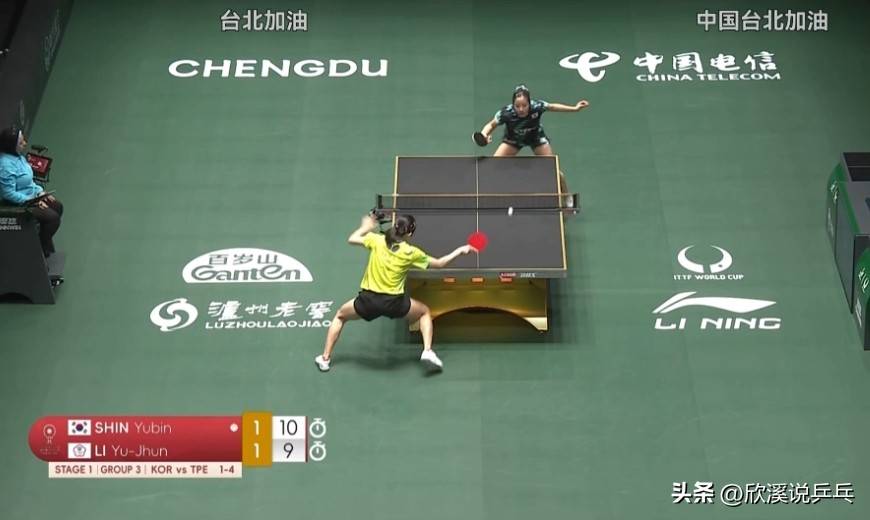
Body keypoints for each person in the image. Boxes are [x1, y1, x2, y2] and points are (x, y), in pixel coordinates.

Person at [315, 213, 476, 373]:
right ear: (410, 233)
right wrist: (460, 250)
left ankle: (325, 359)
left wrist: (366, 227)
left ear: (395, 226)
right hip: (393, 303)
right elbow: (439, 264)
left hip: (368, 300)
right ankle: (427, 351)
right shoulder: (411, 253)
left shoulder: (377, 240)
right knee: (424, 313)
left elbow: (352, 239)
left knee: (340, 316)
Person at [476, 84, 589, 206]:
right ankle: (495, 195)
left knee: (553, 170)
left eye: (524, 105)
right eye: (517, 106)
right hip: (513, 140)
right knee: (494, 164)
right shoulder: (506, 113)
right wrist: (484, 134)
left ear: (529, 103)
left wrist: (574, 108)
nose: (521, 109)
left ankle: (566, 195)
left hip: (536, 138)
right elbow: (491, 125)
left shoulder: (537, 106)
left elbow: (552, 106)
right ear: (513, 104)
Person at [0, 126, 63, 256]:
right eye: (21, 142)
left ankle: (44, 242)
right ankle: (38, 250)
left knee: (57, 206)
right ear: (11, 146)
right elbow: (8, 193)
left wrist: (40, 192)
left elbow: (29, 182)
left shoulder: (19, 157)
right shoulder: (5, 166)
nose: (25, 143)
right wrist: (31, 201)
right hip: (17, 203)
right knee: (52, 219)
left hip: (31, 196)